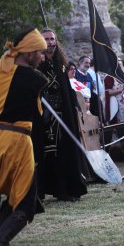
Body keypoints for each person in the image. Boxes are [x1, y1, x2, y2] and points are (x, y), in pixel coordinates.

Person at [0, 28, 48, 246]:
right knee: (26, 200)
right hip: (17, 140)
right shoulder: (36, 78)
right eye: (40, 53)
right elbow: (39, 115)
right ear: (30, 52)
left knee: (10, 193)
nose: (42, 58)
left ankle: (1, 243)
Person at [34, 28, 88, 202]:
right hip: (45, 118)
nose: (50, 42)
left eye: (52, 39)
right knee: (47, 154)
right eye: (46, 39)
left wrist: (75, 108)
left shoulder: (62, 64)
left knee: (65, 153)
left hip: (63, 116)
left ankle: (65, 190)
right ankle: (41, 190)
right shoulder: (36, 65)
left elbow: (66, 90)